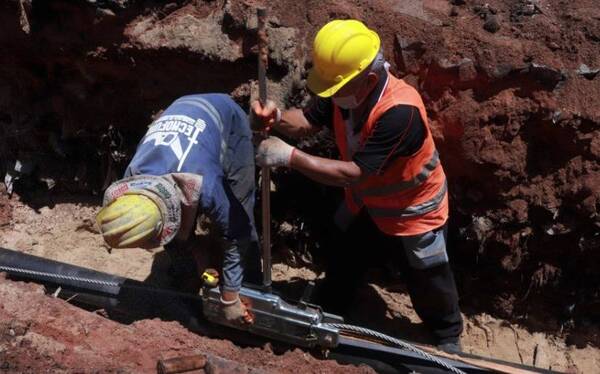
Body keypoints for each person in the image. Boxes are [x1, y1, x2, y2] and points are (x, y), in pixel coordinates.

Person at [251, 19, 463, 352]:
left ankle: (447, 333)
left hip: (412, 210)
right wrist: (277, 118)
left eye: (338, 89)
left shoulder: (399, 113)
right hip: (365, 202)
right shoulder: (345, 89)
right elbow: (307, 121)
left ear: (371, 79)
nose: (333, 95)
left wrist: (289, 157)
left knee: (426, 275)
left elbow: (354, 173)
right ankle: (335, 303)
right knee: (342, 251)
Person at [96, 93, 260, 324]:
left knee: (239, 208)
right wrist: (198, 261)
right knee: (184, 250)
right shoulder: (131, 181)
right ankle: (191, 273)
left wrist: (231, 295)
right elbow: (171, 233)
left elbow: (237, 231)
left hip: (226, 118)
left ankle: (251, 283)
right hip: (181, 109)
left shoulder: (207, 185)